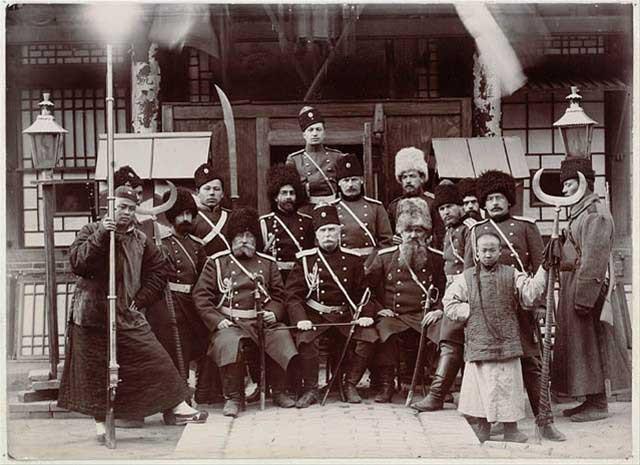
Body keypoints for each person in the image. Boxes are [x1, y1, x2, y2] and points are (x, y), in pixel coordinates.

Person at [58, 186, 208, 444]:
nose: (126, 213)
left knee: (154, 357)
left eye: (130, 208)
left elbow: (158, 272)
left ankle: (177, 405)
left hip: (127, 314)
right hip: (92, 315)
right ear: (110, 207)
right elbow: (79, 263)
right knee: (96, 370)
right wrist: (104, 234)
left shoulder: (141, 239)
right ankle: (100, 422)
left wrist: (140, 301)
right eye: (121, 207)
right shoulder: (91, 231)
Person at [464, 169, 564, 441]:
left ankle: (545, 421)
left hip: (521, 307)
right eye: (490, 198)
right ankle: (492, 419)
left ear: (509, 200)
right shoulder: (473, 232)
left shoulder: (525, 226)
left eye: (500, 197)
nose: (495, 203)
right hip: (488, 310)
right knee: (488, 366)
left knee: (532, 363)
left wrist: (543, 305)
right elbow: (468, 273)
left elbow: (540, 267)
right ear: (483, 203)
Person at [192, 207, 299, 417]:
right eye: (239, 236)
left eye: (249, 236)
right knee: (231, 343)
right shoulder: (217, 263)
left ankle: (278, 391)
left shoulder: (268, 264)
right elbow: (201, 297)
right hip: (230, 323)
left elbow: (279, 296)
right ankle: (234, 397)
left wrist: (274, 313)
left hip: (261, 321)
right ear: (231, 238)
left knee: (281, 335)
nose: (244, 240)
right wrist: (217, 320)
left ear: (256, 239)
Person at [444, 231, 548, 443]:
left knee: (509, 386)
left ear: (500, 252)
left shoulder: (512, 274)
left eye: (493, 250)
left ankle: (511, 429)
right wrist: (471, 310)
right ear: (477, 254)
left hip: (507, 340)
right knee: (480, 387)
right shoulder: (466, 278)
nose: (488, 254)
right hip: (479, 340)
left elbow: (530, 295)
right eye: (484, 250)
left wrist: (544, 269)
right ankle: (483, 427)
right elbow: (449, 303)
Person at [552, 157, 631, 422]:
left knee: (589, 344)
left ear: (584, 183)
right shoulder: (580, 211)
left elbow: (594, 258)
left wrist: (584, 297)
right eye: (564, 185)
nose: (564, 190)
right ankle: (588, 398)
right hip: (573, 283)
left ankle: (598, 403)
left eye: (569, 184)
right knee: (578, 345)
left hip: (585, 285)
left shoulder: (594, 213)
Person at [285, 204, 377, 407]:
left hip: (343, 316)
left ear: (339, 231)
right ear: (316, 235)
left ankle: (349, 384)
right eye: (323, 230)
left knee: (369, 336)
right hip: (316, 316)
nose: (328, 235)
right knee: (306, 339)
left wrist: (365, 313)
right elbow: (292, 296)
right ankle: (311, 389)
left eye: (332, 230)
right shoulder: (306, 260)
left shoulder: (353, 260)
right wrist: (301, 319)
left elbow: (364, 292)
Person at [365, 197, 446, 403]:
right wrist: (378, 309)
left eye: (418, 230)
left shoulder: (436, 258)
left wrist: (438, 309)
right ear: (399, 232)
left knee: (445, 329)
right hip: (395, 315)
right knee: (384, 328)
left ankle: (439, 386)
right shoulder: (384, 257)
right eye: (408, 230)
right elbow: (367, 290)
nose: (413, 235)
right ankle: (386, 384)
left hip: (424, 314)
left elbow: (445, 289)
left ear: (427, 233)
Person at [412, 182, 476, 412]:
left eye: (450, 206)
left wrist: (444, 307)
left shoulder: (471, 229)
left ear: (461, 206)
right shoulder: (448, 232)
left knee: (449, 336)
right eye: (441, 209)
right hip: (453, 297)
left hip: (469, 297)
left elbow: (468, 272)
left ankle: (437, 394)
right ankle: (442, 391)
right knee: (436, 331)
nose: (446, 212)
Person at [151, 188, 211, 404]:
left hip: (193, 304)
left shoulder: (197, 245)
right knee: (178, 350)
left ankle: (204, 392)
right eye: (180, 214)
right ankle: (179, 399)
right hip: (168, 305)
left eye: (189, 214)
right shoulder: (161, 243)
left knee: (204, 345)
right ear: (171, 216)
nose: (186, 219)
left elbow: (207, 276)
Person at [259, 163, 314, 282]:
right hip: (275, 277)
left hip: (300, 276)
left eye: (292, 193)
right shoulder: (265, 223)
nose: (288, 197)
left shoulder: (307, 222)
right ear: (275, 197)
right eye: (284, 193)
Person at [331, 154, 393, 258]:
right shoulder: (332, 208)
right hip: (343, 262)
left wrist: (373, 263)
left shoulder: (376, 207)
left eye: (354, 179)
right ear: (339, 184)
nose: (350, 185)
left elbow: (386, 241)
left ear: (362, 180)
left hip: (370, 260)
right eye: (346, 180)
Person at [285, 106, 345, 210]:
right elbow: (290, 189)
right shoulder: (294, 159)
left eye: (318, 129)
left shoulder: (337, 156)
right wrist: (312, 185)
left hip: (334, 206)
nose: (315, 133)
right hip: (307, 207)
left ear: (324, 133)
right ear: (304, 135)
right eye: (310, 130)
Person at [387, 147, 445, 250]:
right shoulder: (394, 206)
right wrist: (393, 239)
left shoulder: (432, 202)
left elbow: (440, 234)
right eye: (404, 177)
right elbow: (387, 235)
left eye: (412, 176)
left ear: (422, 178)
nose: (408, 181)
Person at [191, 163, 231, 256]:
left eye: (216, 189)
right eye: (207, 189)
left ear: (222, 194)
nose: (212, 193)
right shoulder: (191, 218)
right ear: (197, 192)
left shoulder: (231, 217)